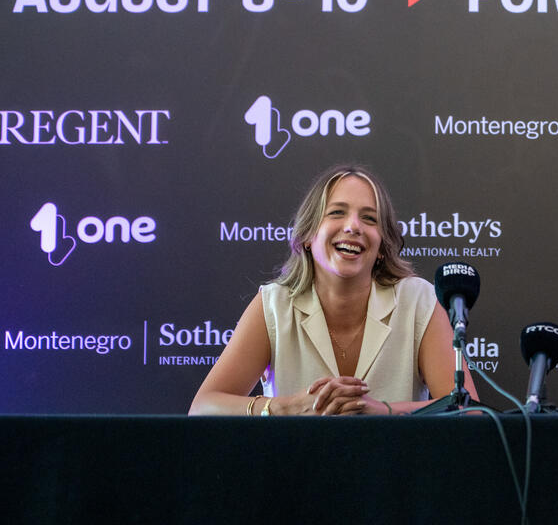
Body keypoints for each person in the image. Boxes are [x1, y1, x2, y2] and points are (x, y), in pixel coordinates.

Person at [190, 164, 476, 415]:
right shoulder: (275, 304)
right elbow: (203, 408)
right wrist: (286, 408)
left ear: (381, 246)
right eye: (337, 213)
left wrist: (382, 411)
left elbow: (467, 410)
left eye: (369, 218)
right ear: (307, 235)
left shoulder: (419, 300)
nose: (353, 226)